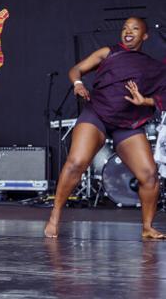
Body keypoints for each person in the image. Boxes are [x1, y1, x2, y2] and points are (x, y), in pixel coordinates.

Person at [45, 17, 166, 239]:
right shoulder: (108, 52)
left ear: (145, 36)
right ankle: (55, 215)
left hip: (127, 124)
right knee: (76, 163)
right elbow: (76, 70)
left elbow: (163, 95)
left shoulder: (152, 66)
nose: (128, 32)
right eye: (125, 28)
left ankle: (147, 228)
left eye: (135, 29)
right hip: (97, 115)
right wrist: (78, 84)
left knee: (149, 175)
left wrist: (146, 101)